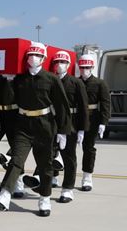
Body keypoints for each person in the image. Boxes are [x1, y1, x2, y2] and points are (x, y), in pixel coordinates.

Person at [0, 42, 70, 217]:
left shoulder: (51, 79)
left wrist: (63, 131)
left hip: (44, 124)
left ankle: (44, 198)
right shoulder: (20, 78)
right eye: (29, 56)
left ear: (43, 58)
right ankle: (5, 194)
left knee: (45, 164)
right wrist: (8, 81)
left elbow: (62, 105)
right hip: (23, 125)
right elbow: (9, 99)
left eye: (36, 56)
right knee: (16, 160)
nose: (32, 59)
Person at [23, 51, 89, 203]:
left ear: (68, 64)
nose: (60, 65)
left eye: (63, 62)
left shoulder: (76, 83)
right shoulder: (49, 80)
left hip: (70, 123)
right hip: (50, 122)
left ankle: (68, 189)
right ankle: (41, 180)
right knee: (46, 154)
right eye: (57, 62)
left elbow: (83, 108)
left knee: (68, 156)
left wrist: (81, 129)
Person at [78, 53, 111, 192]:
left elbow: (105, 103)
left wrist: (103, 122)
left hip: (92, 119)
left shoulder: (100, 83)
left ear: (91, 67)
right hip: (77, 118)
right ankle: (56, 176)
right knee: (65, 149)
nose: (84, 69)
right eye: (82, 67)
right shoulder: (75, 82)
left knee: (89, 148)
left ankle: (87, 177)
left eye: (87, 67)